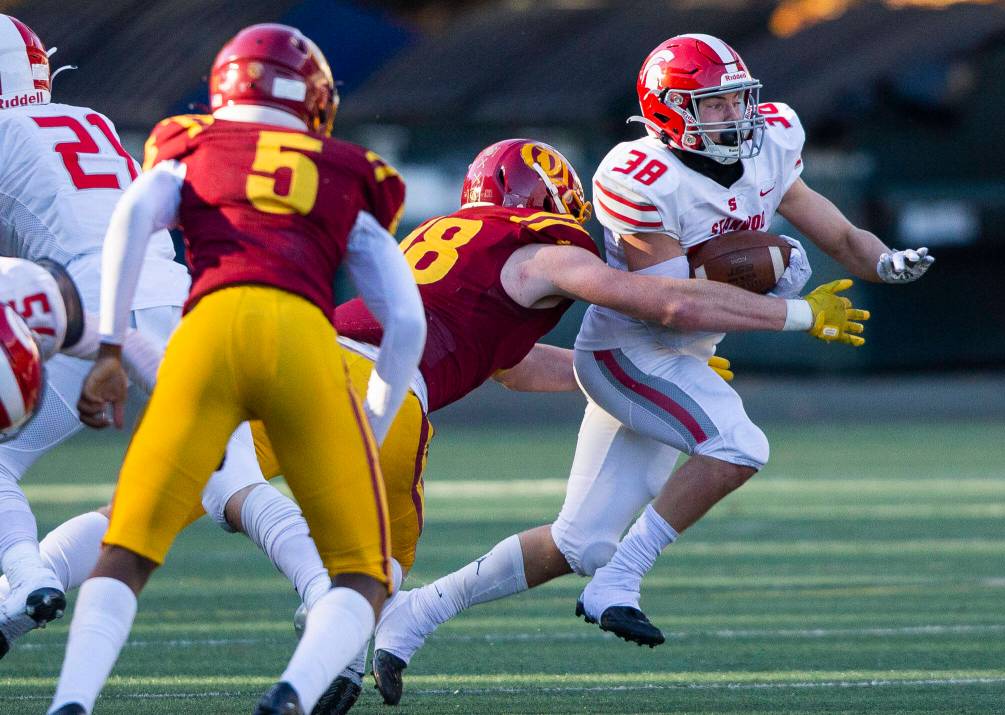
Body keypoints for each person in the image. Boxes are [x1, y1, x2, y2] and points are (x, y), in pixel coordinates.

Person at [370, 32, 931, 702]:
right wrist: (796, 310)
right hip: (630, 352)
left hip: (683, 353)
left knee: (579, 543)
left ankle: (415, 612)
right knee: (739, 444)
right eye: (714, 106)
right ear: (668, 111)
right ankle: (621, 582)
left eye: (737, 100)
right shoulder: (639, 176)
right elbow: (670, 306)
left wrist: (883, 263)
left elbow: (837, 233)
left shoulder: (774, 138)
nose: (736, 117)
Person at [229, 137, 868, 713]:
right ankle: (325, 609)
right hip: (387, 394)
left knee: (217, 477)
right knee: (374, 577)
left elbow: (510, 365)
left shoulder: (438, 238)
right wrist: (792, 315)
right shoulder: (545, 249)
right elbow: (662, 301)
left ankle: (341, 601)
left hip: (304, 356)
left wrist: (651, 375)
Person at [46, 23, 426, 715]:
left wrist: (108, 346)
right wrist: (369, 417)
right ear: (313, 99)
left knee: (127, 547)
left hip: (208, 331)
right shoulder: (349, 169)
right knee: (363, 575)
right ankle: (292, 692)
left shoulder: (186, 143)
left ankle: (70, 701)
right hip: (304, 341)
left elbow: (130, 222)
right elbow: (405, 320)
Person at [0, 14, 190, 658]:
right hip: (176, 304)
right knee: (224, 485)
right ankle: (328, 594)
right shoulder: (94, 121)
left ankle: (26, 578)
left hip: (91, 319)